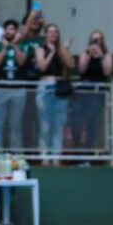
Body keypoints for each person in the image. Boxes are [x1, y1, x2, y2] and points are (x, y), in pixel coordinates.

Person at [34, 22, 74, 160]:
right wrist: (51, 52)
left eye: (56, 32)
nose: (53, 34)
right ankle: (45, 157)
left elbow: (71, 64)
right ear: (45, 34)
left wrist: (64, 50)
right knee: (45, 124)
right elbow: (42, 67)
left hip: (60, 88)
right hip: (45, 88)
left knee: (58, 125)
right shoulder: (40, 49)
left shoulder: (62, 50)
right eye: (50, 31)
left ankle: (56, 157)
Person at [0, 18, 26, 150]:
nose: (9, 31)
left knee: (16, 123)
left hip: (18, 89)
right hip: (1, 88)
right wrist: (5, 47)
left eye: (12, 29)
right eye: (7, 29)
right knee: (0, 121)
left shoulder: (22, 44)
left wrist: (14, 45)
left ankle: (16, 152)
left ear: (16, 31)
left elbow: (22, 61)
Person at [73, 30, 112, 151]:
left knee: (92, 121)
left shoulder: (107, 54)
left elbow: (107, 72)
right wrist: (89, 54)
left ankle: (88, 148)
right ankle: (77, 147)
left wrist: (101, 56)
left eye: (98, 39)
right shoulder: (85, 53)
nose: (96, 42)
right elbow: (81, 69)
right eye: (93, 39)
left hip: (97, 91)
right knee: (77, 120)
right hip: (83, 90)